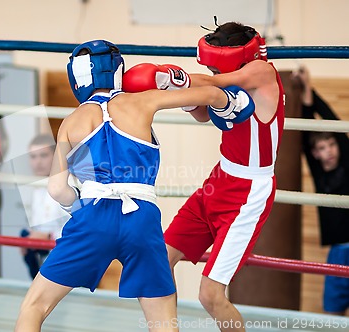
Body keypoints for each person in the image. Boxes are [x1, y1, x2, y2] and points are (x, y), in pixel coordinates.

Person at [14, 39, 255, 332]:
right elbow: (209, 94)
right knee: (163, 323)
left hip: (92, 218)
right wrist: (231, 104)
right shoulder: (142, 101)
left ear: (76, 79)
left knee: (34, 307)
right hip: (141, 219)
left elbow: (57, 190)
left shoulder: (70, 122)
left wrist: (80, 207)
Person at [126, 22, 285, 331]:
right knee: (159, 261)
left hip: (249, 191)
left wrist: (170, 79)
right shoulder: (225, 83)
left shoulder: (262, 73)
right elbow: (202, 110)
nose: (213, 73)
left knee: (210, 295)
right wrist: (181, 95)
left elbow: (215, 84)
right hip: (218, 181)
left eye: (215, 67)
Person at [294, 66, 349, 316]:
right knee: (332, 311)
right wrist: (304, 90)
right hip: (337, 250)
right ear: (316, 153)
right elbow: (306, 133)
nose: (329, 150)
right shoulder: (319, 172)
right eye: (323, 147)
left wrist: (310, 88)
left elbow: (331, 120)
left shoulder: (347, 160)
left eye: (331, 144)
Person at [20, 134, 69, 279]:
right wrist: (28, 238)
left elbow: (82, 228)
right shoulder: (36, 189)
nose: (38, 162)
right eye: (33, 157)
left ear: (55, 157)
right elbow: (37, 225)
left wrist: (49, 236)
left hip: (68, 263)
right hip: (45, 263)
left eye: (43, 155)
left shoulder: (70, 185)